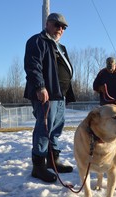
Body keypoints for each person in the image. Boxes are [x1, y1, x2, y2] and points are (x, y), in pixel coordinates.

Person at [24, 13, 76, 182]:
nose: (60, 29)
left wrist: (67, 94)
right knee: (44, 128)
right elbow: (33, 66)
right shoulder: (37, 41)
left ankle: (53, 161)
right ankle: (38, 166)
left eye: (63, 27)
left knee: (56, 129)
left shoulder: (61, 47)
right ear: (47, 23)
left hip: (59, 95)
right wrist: (40, 86)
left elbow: (64, 71)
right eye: (57, 25)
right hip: (46, 94)